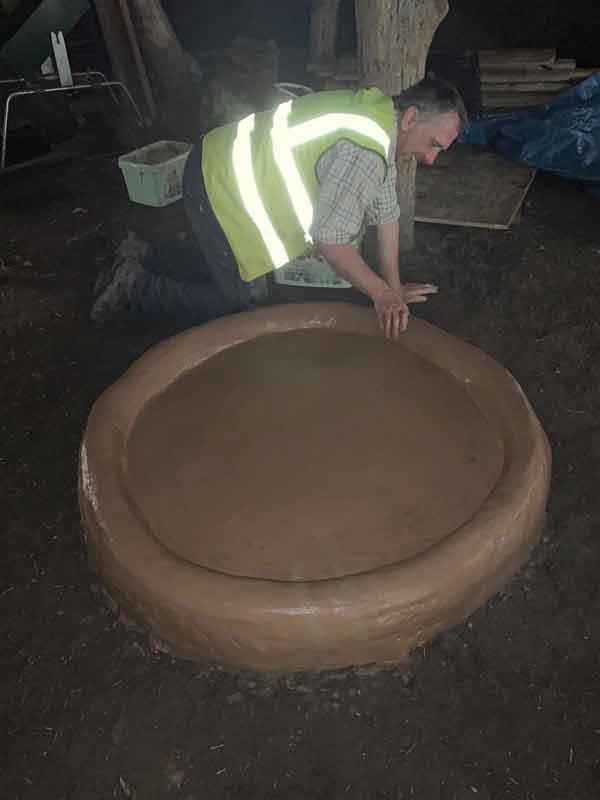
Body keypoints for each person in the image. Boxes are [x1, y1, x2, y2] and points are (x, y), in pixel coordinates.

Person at [92, 77, 467, 338]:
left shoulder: (376, 118)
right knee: (241, 300)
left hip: (219, 166)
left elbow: (387, 213)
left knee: (229, 260)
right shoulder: (365, 150)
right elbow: (331, 241)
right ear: (413, 118)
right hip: (220, 186)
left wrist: (394, 287)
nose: (432, 159)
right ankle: (134, 287)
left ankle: (143, 253)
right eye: (434, 144)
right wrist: (380, 294)